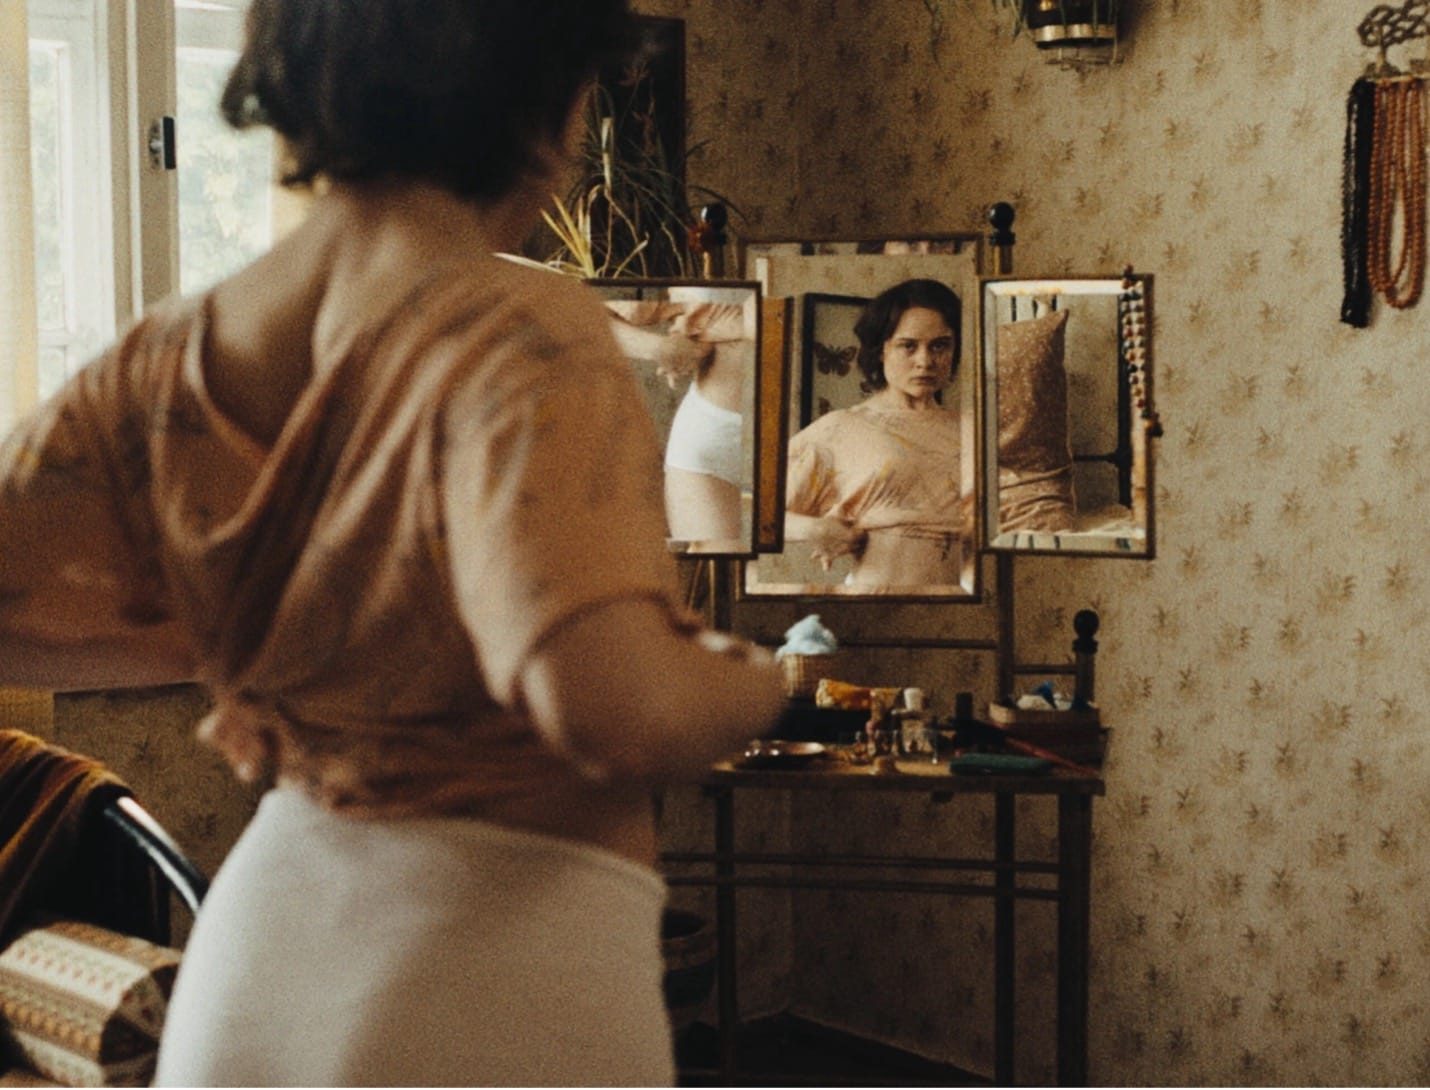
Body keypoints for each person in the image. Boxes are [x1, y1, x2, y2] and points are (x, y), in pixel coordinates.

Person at [0, 1, 784, 1084]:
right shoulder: (519, 326)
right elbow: (611, 709)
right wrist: (758, 681)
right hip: (485, 982)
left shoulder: (166, 354)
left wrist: (245, 636)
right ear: (542, 92)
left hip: (256, 974)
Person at [784, 278, 971, 587]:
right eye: (908, 346)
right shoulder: (841, 427)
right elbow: (762, 516)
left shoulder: (972, 428)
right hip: (879, 599)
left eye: (939, 345)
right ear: (881, 350)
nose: (925, 361)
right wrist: (815, 530)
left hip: (965, 604)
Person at [606, 294, 756, 544]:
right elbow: (589, 318)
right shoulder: (693, 287)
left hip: (803, 438)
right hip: (711, 441)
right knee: (714, 561)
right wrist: (660, 348)